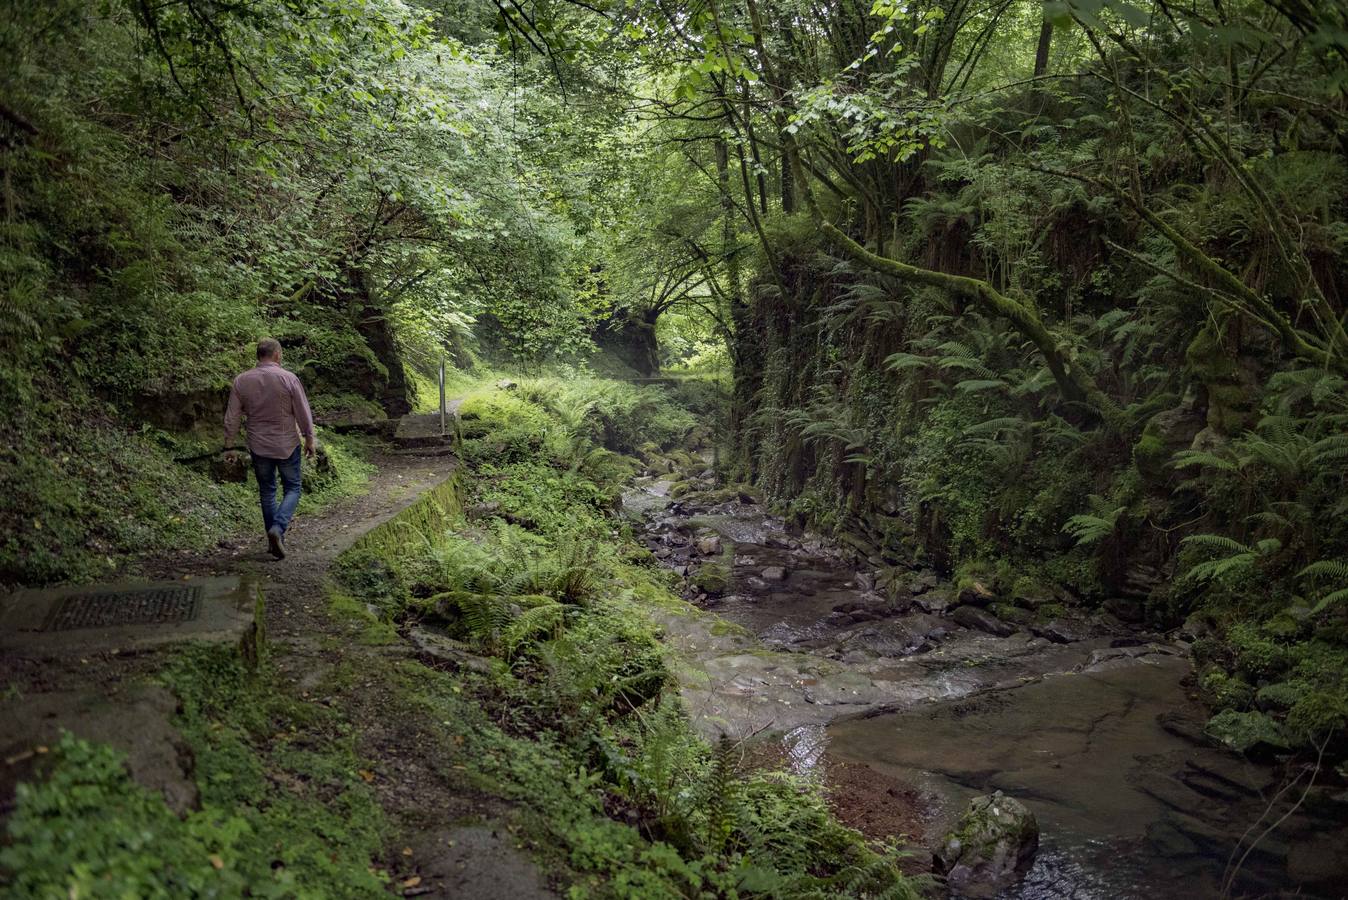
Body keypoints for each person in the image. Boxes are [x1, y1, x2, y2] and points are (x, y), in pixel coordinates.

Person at [224, 338, 317, 559]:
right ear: (277, 355)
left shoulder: (241, 381)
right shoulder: (289, 378)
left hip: (258, 444)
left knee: (267, 491)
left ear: (259, 355)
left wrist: (228, 445)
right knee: (293, 488)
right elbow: (303, 411)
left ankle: (273, 541)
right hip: (287, 443)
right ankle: (278, 529)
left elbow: (232, 416)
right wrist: (309, 438)